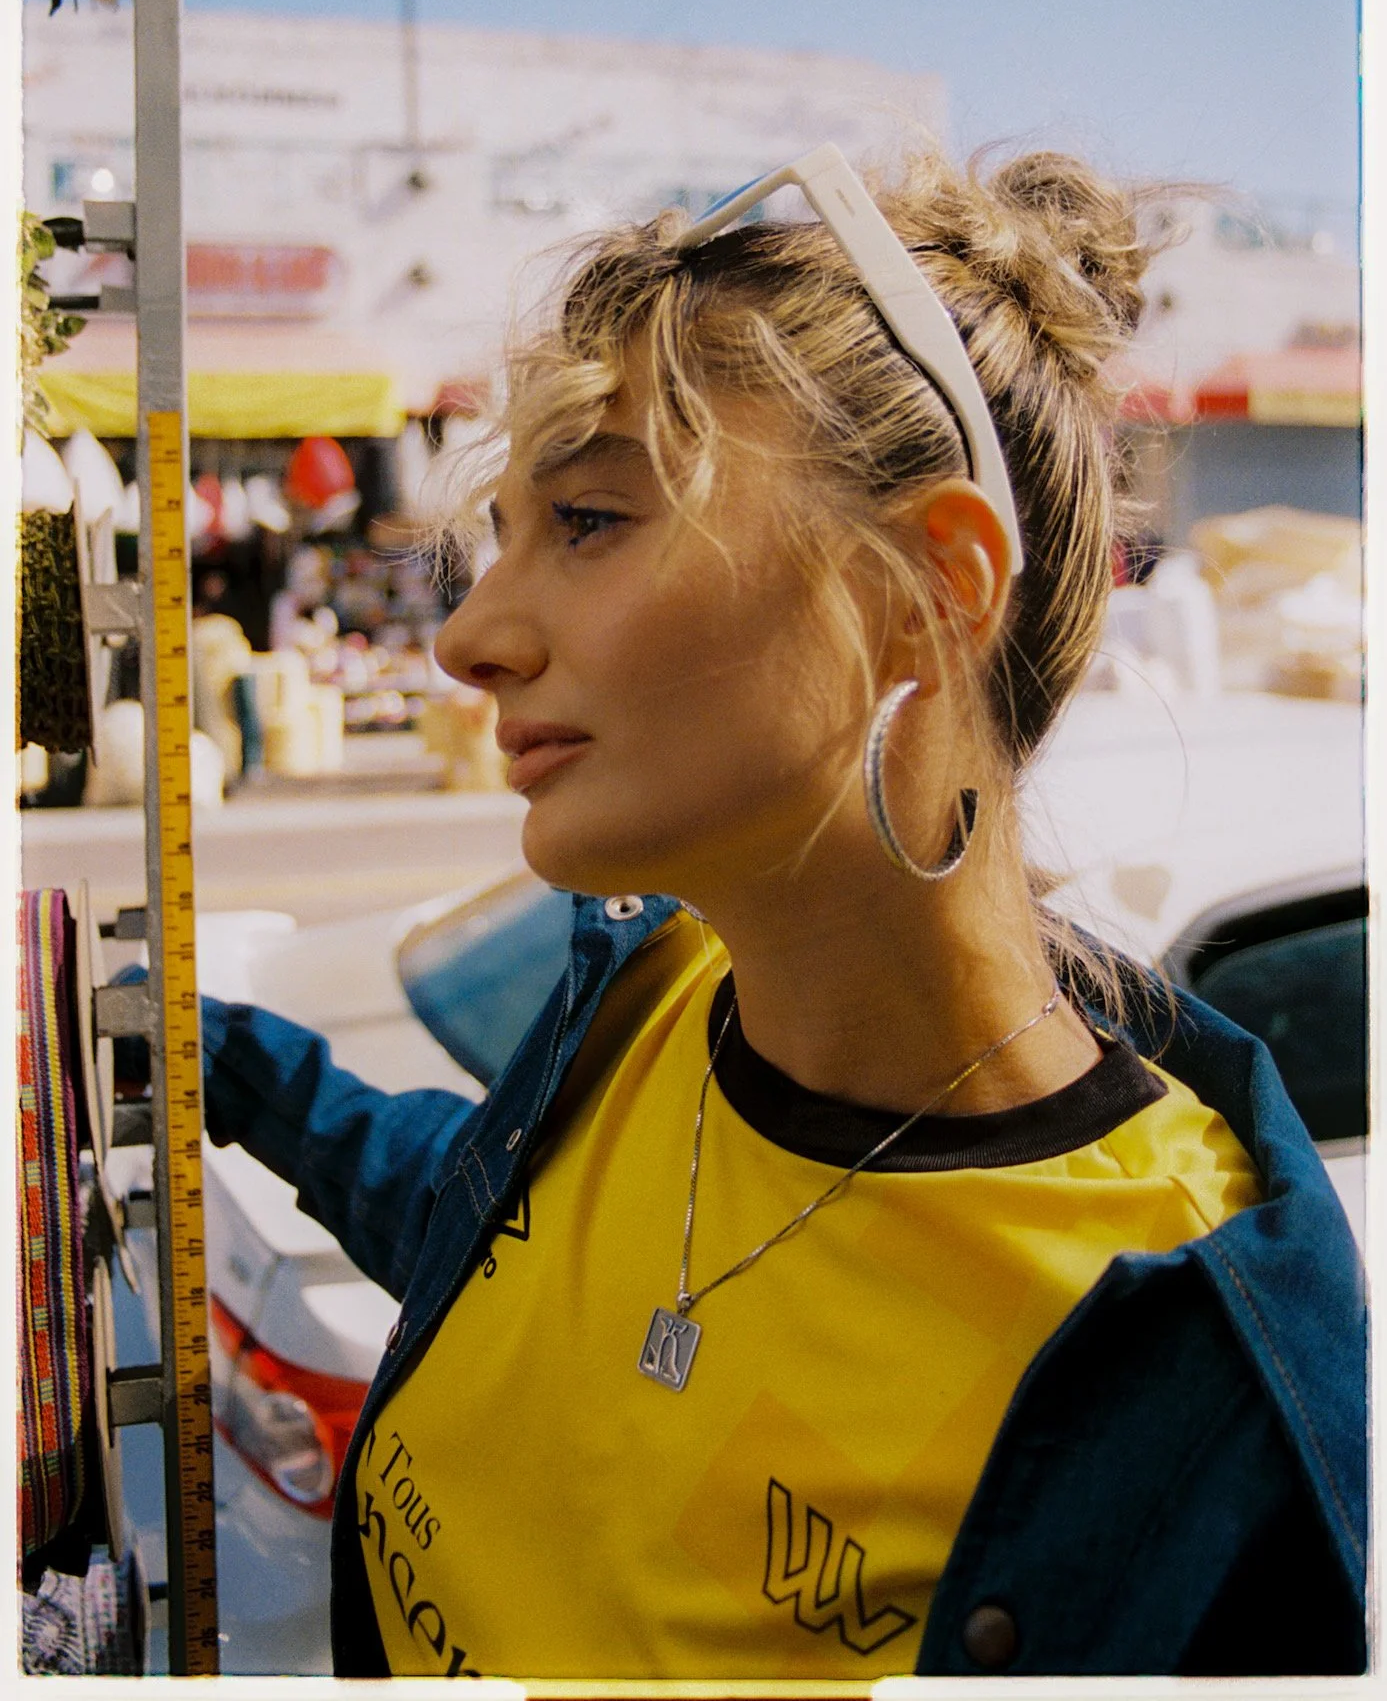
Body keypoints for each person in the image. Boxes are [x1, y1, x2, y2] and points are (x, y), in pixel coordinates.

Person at [198, 142, 1366, 1680]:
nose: (468, 638)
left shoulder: (1186, 1368)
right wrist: (226, 1065)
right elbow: (498, 1239)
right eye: (500, 544)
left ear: (925, 588)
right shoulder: (649, 996)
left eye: (590, 519)